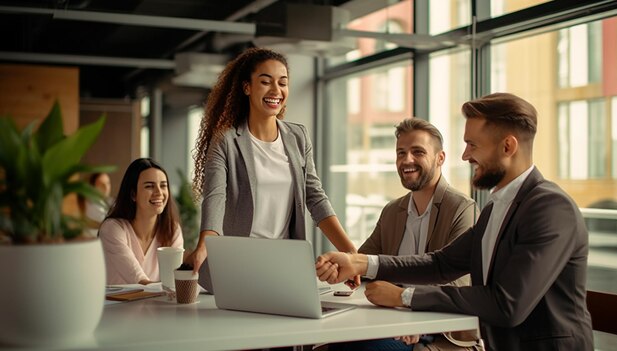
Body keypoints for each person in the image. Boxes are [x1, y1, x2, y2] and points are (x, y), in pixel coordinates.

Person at [316, 93, 593, 351]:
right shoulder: (496, 207)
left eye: (472, 145)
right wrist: (360, 263)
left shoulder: (550, 207)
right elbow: (441, 264)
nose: (465, 155)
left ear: (508, 146)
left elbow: (507, 304)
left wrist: (403, 297)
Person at [184, 47, 358, 284]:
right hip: (239, 261)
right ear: (247, 87)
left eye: (283, 83)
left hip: (284, 262)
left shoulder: (298, 137)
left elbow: (315, 197)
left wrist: (352, 254)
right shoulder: (225, 140)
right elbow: (215, 196)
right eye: (266, 82)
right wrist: (205, 245)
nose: (276, 90)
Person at [328, 118, 479, 351]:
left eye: (417, 152)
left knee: (354, 347)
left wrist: (406, 302)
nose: (406, 160)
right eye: (401, 153)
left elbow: (459, 283)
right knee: (330, 341)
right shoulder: (392, 211)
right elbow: (365, 262)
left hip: (437, 329)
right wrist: (337, 267)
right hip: (392, 319)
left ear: (440, 158)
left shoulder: (462, 208)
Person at [100, 158, 183, 285]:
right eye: (149, 186)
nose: (159, 192)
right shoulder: (112, 229)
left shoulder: (172, 229)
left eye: (163, 185)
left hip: (157, 303)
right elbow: (138, 278)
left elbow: (174, 281)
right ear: (133, 194)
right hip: (116, 304)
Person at [79, 172, 113, 237]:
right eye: (101, 184)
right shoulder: (89, 203)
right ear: (93, 186)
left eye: (108, 183)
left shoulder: (109, 201)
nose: (106, 187)